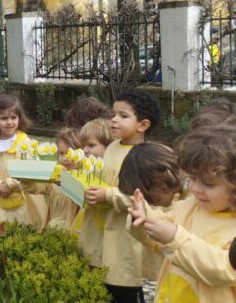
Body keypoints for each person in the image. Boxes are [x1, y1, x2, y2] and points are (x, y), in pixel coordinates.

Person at [128, 125, 236, 302]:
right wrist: (144, 217)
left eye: (208, 184)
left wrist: (175, 238)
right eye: (192, 178)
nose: (195, 188)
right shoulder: (191, 206)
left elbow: (224, 270)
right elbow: (164, 225)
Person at [84, 88, 162, 302]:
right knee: (102, 286)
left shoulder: (145, 158)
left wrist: (109, 195)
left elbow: (143, 200)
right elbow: (103, 180)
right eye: (113, 114)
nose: (114, 120)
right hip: (101, 229)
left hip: (125, 237)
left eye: (123, 116)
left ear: (143, 125)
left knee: (123, 287)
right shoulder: (111, 148)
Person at [117, 142, 182, 282]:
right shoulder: (150, 205)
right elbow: (143, 235)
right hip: (159, 276)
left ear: (164, 181)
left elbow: (167, 220)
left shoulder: (189, 204)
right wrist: (138, 219)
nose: (150, 203)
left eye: (152, 198)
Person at [0, 94, 35, 224]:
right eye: (4, 118)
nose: (9, 122)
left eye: (13, 117)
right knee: (1, 231)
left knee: (23, 229)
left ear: (19, 118)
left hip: (23, 200)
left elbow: (29, 169)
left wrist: (9, 184)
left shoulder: (24, 142)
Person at [77, 118, 114, 268]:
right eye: (83, 146)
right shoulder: (89, 168)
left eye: (91, 145)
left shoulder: (111, 170)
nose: (85, 150)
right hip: (89, 229)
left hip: (107, 235)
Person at [46, 127, 81, 230]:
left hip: (70, 229)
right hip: (54, 226)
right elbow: (45, 186)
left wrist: (67, 181)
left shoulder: (82, 177)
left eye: (70, 154)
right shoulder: (58, 173)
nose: (66, 158)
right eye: (62, 153)